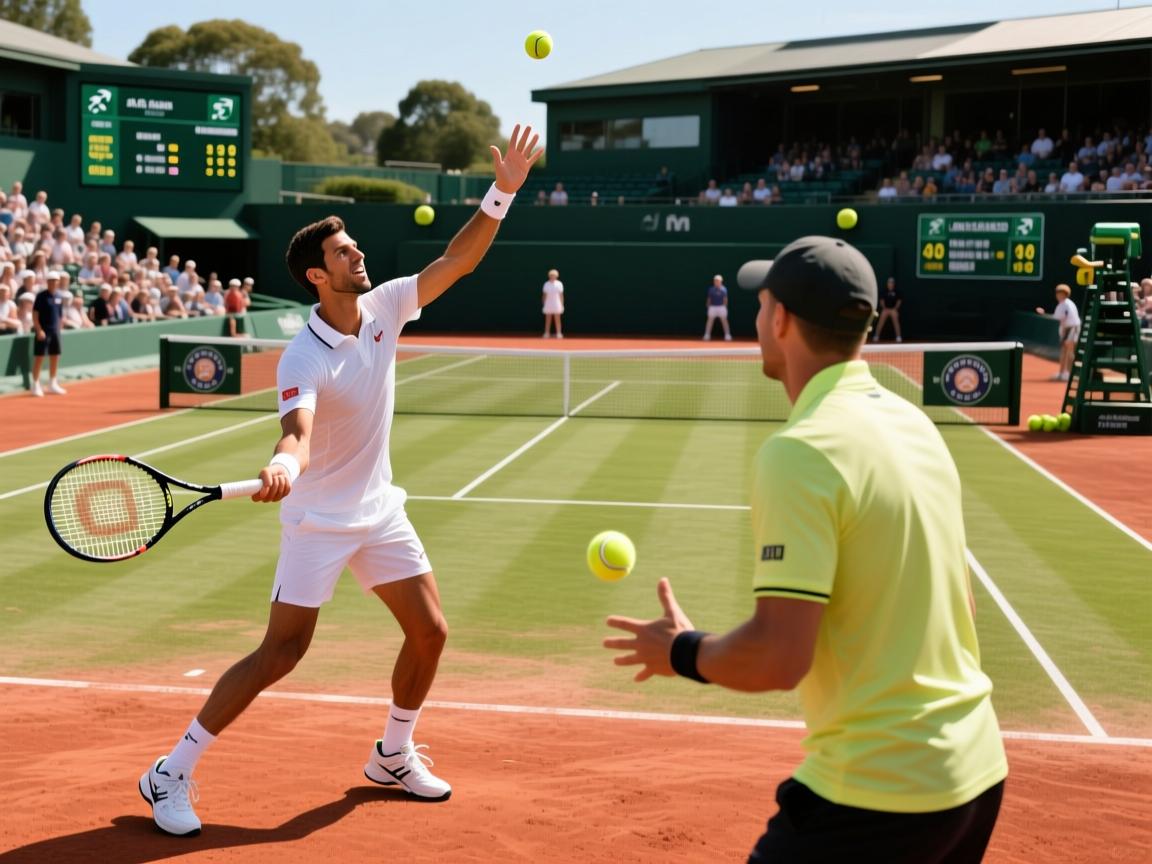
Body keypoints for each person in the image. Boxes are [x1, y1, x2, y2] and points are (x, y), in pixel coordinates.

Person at [137, 124, 542, 838]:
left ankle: (392, 752)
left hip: (379, 510)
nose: (356, 252)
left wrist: (503, 190)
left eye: (353, 245)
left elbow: (458, 260)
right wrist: (284, 466)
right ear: (317, 276)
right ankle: (170, 770)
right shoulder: (302, 358)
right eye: (341, 251)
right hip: (319, 520)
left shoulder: (387, 305)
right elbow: (296, 431)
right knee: (283, 653)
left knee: (430, 633)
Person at [604, 235, 1007, 863]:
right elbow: (962, 603)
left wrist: (680, 650)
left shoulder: (801, 450)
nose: (758, 316)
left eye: (763, 304)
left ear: (782, 320)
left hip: (877, 795)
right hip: (975, 775)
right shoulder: (914, 422)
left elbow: (779, 656)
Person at [30, 271, 67, 396]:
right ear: (48, 282)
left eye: (55, 280)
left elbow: (60, 316)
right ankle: (35, 384)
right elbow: (35, 315)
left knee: (55, 356)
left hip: (55, 332)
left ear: (58, 282)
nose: (53, 283)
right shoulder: (41, 296)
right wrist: (39, 330)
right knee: (39, 357)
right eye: (51, 280)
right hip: (43, 332)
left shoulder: (59, 297)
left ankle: (52, 383)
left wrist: (59, 329)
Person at [1036, 283, 1080, 381]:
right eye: (1057, 293)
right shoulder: (1064, 304)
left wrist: (1043, 313)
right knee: (1065, 351)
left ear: (1065, 294)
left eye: (1060, 293)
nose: (1057, 295)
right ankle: (1062, 373)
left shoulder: (1065, 304)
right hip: (1068, 330)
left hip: (1070, 329)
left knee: (1069, 352)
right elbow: (1059, 317)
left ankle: (1068, 374)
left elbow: (1059, 318)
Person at [703, 273, 732, 341]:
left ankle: (727, 335)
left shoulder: (724, 289)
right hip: (713, 307)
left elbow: (725, 299)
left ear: (721, 281)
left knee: (724, 321)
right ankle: (707, 335)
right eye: (715, 280)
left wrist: (725, 307)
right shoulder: (711, 289)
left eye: (718, 280)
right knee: (710, 321)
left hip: (721, 307)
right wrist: (708, 306)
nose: (716, 281)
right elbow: (709, 299)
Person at [873, 276, 903, 342]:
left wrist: (895, 309)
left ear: (894, 284)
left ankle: (898, 337)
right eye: (889, 282)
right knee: (881, 320)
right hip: (885, 309)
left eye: (892, 282)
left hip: (893, 310)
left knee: (896, 320)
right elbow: (881, 301)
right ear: (887, 283)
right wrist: (885, 308)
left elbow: (899, 302)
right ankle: (876, 336)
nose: (890, 284)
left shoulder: (897, 292)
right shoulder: (884, 291)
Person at [541, 268, 564, 338]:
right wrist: (544, 303)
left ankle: (559, 333)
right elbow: (544, 295)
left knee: (557, 318)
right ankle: (546, 333)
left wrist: (562, 304)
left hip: (557, 303)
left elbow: (561, 295)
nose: (553, 276)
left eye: (554, 275)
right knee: (548, 318)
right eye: (551, 275)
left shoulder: (559, 284)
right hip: (548, 303)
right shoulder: (546, 284)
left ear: (556, 276)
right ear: (549, 276)